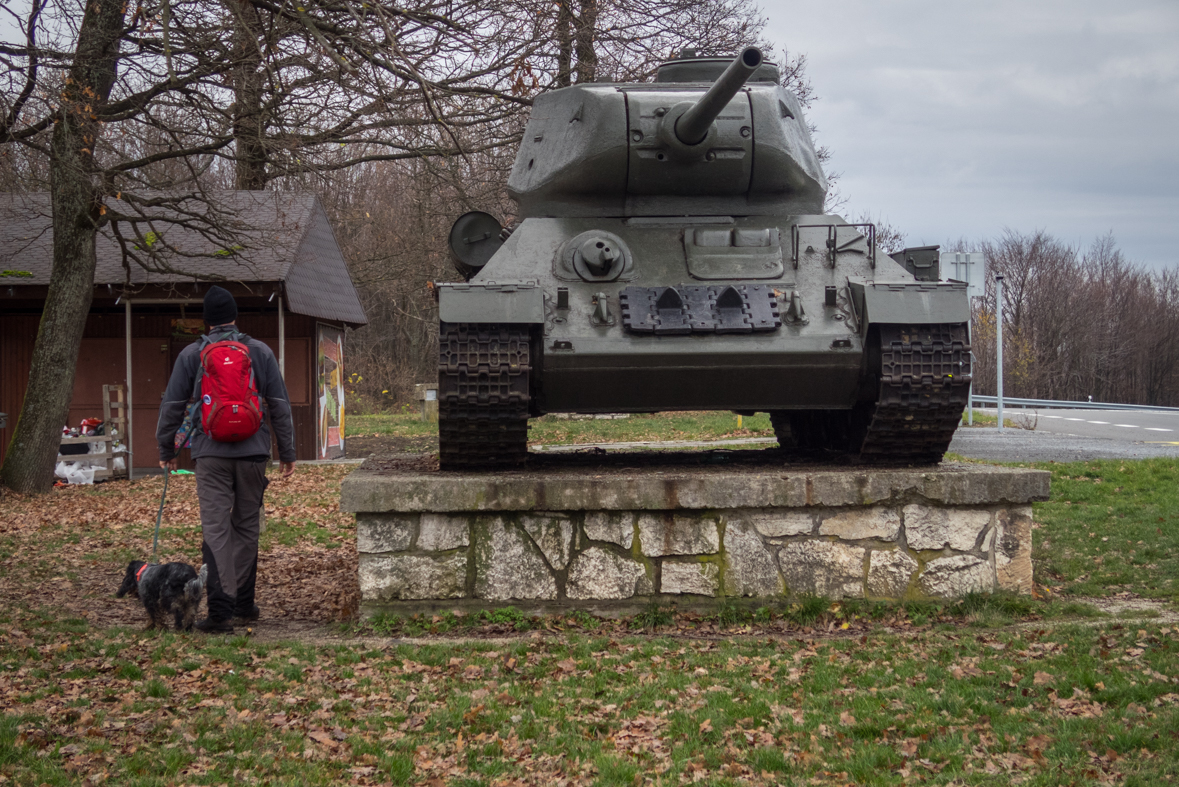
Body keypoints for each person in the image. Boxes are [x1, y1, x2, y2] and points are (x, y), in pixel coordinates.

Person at [156, 285, 296, 633]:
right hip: (253, 453)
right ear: (235, 316)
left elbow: (172, 405)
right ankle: (244, 603)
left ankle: (221, 613)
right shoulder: (259, 351)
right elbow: (279, 404)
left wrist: (166, 449)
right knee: (246, 526)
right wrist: (287, 452)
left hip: (210, 455)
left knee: (217, 529)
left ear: (207, 322)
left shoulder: (192, 354)